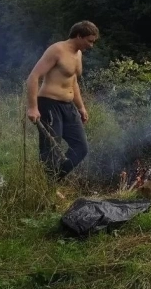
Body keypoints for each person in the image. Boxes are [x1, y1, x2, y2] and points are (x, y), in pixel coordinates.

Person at [26, 20, 99, 180]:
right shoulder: (57, 50)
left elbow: (73, 81)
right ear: (79, 36)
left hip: (69, 106)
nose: (91, 45)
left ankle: (54, 179)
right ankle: (48, 185)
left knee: (80, 147)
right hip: (49, 104)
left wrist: (81, 107)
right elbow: (33, 76)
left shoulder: (78, 53)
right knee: (51, 148)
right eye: (89, 41)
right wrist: (32, 107)